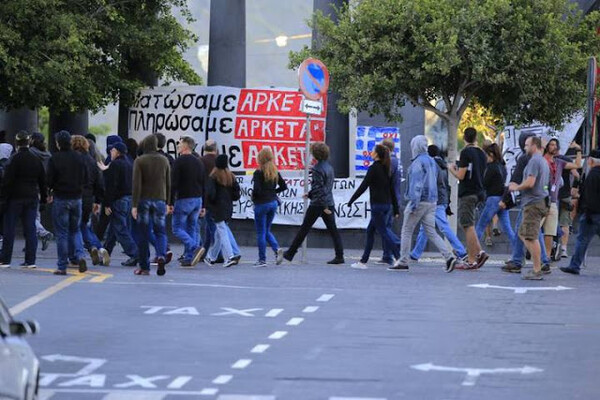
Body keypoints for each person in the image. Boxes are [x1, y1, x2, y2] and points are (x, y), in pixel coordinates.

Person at [391, 136, 462, 272]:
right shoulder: (431, 161)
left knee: (406, 230)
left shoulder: (417, 162)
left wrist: (413, 204)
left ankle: (403, 260)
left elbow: (416, 185)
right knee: (431, 232)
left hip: (419, 201)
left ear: (415, 147)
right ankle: (448, 257)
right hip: (432, 202)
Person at [283, 142, 344, 264]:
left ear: (315, 154)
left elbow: (318, 188)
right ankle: (339, 255)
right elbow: (325, 187)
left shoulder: (316, 169)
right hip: (328, 202)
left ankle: (290, 253)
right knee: (333, 230)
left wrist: (313, 196)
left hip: (318, 204)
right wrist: (316, 198)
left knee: (304, 228)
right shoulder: (329, 167)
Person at [347, 144, 400, 269]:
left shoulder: (373, 168)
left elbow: (363, 186)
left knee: (384, 232)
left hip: (377, 206)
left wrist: (351, 200)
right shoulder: (386, 168)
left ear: (376, 154)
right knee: (371, 231)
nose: (371, 152)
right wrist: (396, 208)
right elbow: (392, 189)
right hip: (386, 205)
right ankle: (363, 261)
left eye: (373, 151)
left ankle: (399, 258)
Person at [411, 145, 467, 260]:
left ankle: (461, 251)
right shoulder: (442, 165)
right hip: (441, 199)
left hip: (435, 201)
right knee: (425, 228)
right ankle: (415, 254)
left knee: (443, 227)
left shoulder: (432, 165)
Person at [0, 131, 46, 268]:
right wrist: (43, 199)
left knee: (9, 228)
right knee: (30, 228)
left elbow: (7, 182)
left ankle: (5, 259)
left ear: (17, 143)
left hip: (14, 198)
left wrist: (3, 200)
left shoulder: (13, 160)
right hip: (32, 197)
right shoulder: (35, 159)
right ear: (28, 142)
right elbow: (42, 181)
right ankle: (30, 260)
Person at [508, 136, 550, 280]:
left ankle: (537, 269)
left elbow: (530, 182)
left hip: (533, 203)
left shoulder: (534, 161)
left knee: (530, 237)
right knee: (523, 233)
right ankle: (538, 265)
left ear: (534, 145)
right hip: (539, 201)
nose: (524, 148)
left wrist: (516, 187)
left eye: (527, 145)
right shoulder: (543, 161)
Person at [47, 130, 88, 275]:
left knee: (62, 233)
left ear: (58, 143)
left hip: (61, 198)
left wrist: (50, 191)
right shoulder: (79, 158)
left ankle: (62, 266)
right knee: (75, 230)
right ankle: (80, 255)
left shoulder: (55, 158)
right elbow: (86, 177)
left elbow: (49, 180)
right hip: (77, 198)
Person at [449, 127, 489, 269]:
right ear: (475, 138)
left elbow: (461, 175)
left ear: (465, 138)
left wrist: (451, 168)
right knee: (469, 224)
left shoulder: (466, 152)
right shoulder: (482, 153)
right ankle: (479, 253)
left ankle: (472, 259)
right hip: (479, 191)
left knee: (468, 225)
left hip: (468, 192)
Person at [132, 135, 170, 276]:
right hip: (160, 200)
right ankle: (161, 255)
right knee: (160, 231)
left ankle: (144, 267)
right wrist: (168, 202)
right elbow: (168, 182)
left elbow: (136, 184)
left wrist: (134, 204)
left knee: (143, 233)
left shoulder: (140, 161)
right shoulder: (164, 160)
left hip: (144, 200)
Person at [71, 135, 110, 267]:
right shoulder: (91, 160)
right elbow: (99, 183)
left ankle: (77, 254)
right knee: (84, 225)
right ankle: (99, 248)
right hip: (89, 198)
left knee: (74, 228)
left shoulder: (74, 158)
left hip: (75, 196)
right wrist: (98, 201)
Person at [560, 149, 600, 275]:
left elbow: (590, 195)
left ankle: (574, 265)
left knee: (582, 239)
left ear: (591, 161)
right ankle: (574, 265)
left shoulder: (593, 174)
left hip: (591, 214)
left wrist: (587, 212)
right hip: (595, 213)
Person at [169, 136, 206, 267]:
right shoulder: (199, 162)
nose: (177, 146)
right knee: (192, 228)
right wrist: (204, 205)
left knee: (177, 228)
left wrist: (170, 203)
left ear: (185, 146)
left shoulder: (179, 162)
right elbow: (203, 184)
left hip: (184, 199)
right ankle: (190, 257)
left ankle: (194, 247)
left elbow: (173, 183)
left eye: (179, 144)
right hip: (198, 199)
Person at [542, 138, 581, 258]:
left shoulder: (559, 161)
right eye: (551, 144)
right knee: (550, 226)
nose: (553, 147)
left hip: (556, 198)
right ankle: (557, 248)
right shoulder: (544, 160)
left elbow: (577, 168)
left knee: (554, 227)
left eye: (555, 145)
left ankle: (551, 254)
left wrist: (579, 150)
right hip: (547, 198)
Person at [474, 143, 516, 245]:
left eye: (486, 155)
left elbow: (484, 183)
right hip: (502, 199)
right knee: (508, 228)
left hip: (492, 199)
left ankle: (471, 251)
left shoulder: (490, 168)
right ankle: (518, 253)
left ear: (491, 154)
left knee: (480, 225)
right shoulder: (502, 166)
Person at [252, 148, 287, 267]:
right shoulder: (275, 171)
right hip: (273, 203)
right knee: (266, 230)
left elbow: (256, 190)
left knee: (261, 232)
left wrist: (254, 198)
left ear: (260, 158)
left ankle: (262, 260)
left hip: (261, 204)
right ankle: (277, 250)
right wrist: (273, 192)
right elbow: (284, 186)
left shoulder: (258, 172)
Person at [204, 154, 240, 267]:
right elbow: (236, 195)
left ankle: (230, 256)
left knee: (221, 232)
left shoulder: (214, 177)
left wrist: (208, 204)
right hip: (228, 208)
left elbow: (211, 194)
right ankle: (211, 257)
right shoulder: (231, 177)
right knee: (219, 234)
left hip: (217, 209)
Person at [377, 138, 402, 265]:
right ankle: (387, 255)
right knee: (385, 226)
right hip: (393, 199)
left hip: (388, 200)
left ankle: (397, 244)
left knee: (384, 227)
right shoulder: (396, 160)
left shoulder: (390, 162)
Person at [29, 132, 54, 250]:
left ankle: (43, 233)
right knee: (36, 215)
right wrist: (49, 192)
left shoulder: (30, 153)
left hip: (32, 187)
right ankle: (33, 241)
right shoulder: (48, 155)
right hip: (44, 188)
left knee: (30, 216)